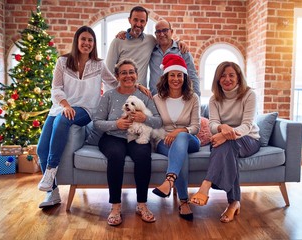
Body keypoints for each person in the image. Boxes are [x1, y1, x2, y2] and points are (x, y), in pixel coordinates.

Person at [36, 26, 120, 208]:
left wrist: (136, 86)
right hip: (60, 108)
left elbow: (114, 83)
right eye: (83, 39)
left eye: (90, 40)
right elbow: (56, 88)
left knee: (63, 119)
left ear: (94, 44)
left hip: (85, 109)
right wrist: (65, 105)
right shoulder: (63, 62)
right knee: (41, 149)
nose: (87, 43)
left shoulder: (98, 65)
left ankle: (51, 170)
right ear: (77, 41)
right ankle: (53, 193)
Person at [93, 59, 162, 226]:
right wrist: (115, 124)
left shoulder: (144, 96)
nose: (128, 75)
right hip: (112, 137)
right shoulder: (108, 95)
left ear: (137, 75)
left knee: (143, 156)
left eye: (131, 72)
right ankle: (115, 207)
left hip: (136, 136)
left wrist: (145, 118)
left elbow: (158, 121)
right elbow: (96, 121)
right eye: (123, 72)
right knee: (116, 156)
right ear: (117, 76)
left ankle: (142, 204)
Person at [190, 61, 261, 223]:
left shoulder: (249, 94)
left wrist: (225, 135)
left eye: (231, 75)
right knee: (226, 149)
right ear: (217, 79)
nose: (227, 79)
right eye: (223, 75)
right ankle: (234, 202)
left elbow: (247, 125)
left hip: (248, 138)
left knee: (225, 144)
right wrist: (223, 128)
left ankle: (206, 185)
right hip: (227, 141)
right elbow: (213, 124)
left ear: (238, 78)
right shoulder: (215, 99)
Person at [152, 54, 201, 221]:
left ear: (184, 77)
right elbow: (154, 123)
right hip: (164, 142)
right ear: (166, 77)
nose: (176, 79)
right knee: (181, 155)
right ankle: (184, 202)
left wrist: (179, 131)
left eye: (179, 75)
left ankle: (169, 181)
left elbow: (196, 127)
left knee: (181, 139)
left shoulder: (193, 98)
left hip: (189, 139)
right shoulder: (157, 99)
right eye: (172, 75)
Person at [106, 6, 188, 87]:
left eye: (142, 21)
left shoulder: (150, 40)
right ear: (129, 20)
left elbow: (165, 41)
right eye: (135, 20)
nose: (138, 24)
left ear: (146, 22)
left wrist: (180, 42)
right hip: (122, 92)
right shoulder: (118, 41)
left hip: (141, 94)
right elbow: (109, 73)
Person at [149, 20, 200, 96]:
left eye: (165, 30)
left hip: (177, 100)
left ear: (171, 32)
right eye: (158, 31)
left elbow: (192, 75)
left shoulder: (182, 50)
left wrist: (196, 98)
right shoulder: (151, 50)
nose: (162, 34)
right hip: (155, 100)